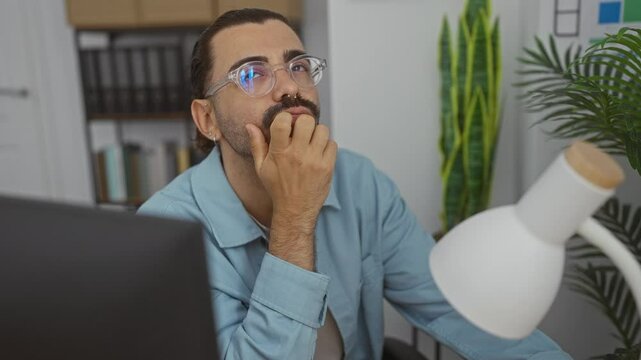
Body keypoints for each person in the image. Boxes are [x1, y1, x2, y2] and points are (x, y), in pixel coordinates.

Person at [138, 8, 571, 360]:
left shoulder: (360, 182)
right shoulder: (164, 234)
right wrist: (295, 214)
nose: (290, 87)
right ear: (207, 118)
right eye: (252, 75)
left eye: (299, 66)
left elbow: (453, 308)